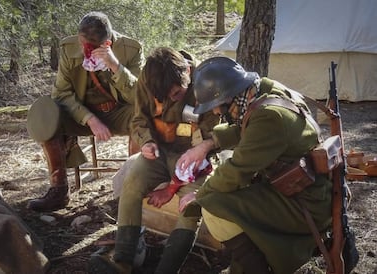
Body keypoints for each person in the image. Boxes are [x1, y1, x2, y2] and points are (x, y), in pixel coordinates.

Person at [179, 56, 334, 274]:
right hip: (309, 190)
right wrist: (208, 143)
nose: (215, 112)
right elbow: (248, 128)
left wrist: (200, 194)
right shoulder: (266, 90)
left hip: (304, 204)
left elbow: (237, 170)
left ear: (231, 97)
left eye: (217, 107)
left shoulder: (269, 117)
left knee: (213, 207)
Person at [88, 47, 219, 274]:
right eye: (163, 97)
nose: (171, 100)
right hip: (159, 152)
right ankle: (123, 259)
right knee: (132, 181)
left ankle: (167, 269)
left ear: (188, 71)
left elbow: (217, 134)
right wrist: (147, 142)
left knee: (190, 207)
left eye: (177, 94)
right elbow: (139, 120)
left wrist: (174, 185)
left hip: (195, 158)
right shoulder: (148, 81)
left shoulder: (206, 84)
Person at [26, 11, 144, 212]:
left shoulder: (130, 49)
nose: (84, 49)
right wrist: (89, 118)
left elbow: (140, 97)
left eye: (89, 47)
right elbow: (61, 93)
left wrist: (116, 67)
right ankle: (59, 190)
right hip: (81, 114)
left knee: (144, 114)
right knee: (45, 113)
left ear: (106, 44)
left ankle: (134, 188)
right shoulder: (69, 48)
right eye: (82, 43)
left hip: (119, 112)